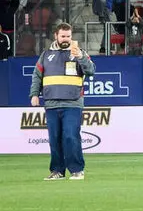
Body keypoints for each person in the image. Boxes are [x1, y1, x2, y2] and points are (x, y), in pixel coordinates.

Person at [29, 23, 95, 180]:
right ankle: (57, 171)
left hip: (72, 103)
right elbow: (37, 76)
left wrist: (80, 57)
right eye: (63, 36)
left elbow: (91, 71)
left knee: (70, 136)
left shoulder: (79, 53)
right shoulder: (46, 55)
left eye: (69, 36)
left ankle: (77, 170)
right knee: (54, 139)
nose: (66, 39)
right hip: (51, 103)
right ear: (56, 36)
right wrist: (34, 94)